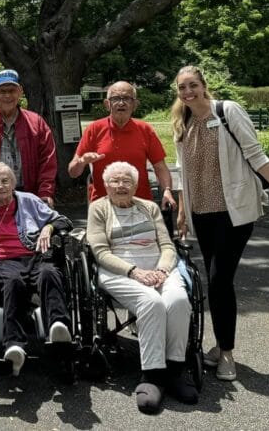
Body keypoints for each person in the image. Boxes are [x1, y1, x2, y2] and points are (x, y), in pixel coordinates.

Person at [170, 65, 269, 381]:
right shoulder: (183, 121)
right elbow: (181, 171)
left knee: (220, 280)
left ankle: (227, 355)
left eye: (193, 85)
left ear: (204, 86)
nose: (188, 92)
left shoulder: (227, 112)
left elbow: (256, 155)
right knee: (214, 279)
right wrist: (181, 210)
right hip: (202, 213)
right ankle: (221, 346)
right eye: (182, 87)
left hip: (234, 211)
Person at [87, 161, 198, 414]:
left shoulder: (148, 207)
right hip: (119, 272)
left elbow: (167, 245)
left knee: (179, 300)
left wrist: (161, 270)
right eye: (115, 181)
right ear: (106, 185)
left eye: (127, 180)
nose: (121, 185)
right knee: (151, 302)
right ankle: (152, 376)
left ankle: (175, 370)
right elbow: (100, 252)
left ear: (136, 185)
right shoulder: (99, 208)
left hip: (158, 269)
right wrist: (134, 272)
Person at [0, 162, 73, 376]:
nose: (1, 186)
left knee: (50, 273)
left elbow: (62, 221)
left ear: (13, 183)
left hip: (36, 255)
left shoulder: (29, 201)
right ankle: (14, 344)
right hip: (5, 260)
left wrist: (48, 228)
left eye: (5, 181)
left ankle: (58, 325)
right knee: (13, 282)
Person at [68, 81, 176, 209]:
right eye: (115, 98)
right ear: (107, 104)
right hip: (103, 206)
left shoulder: (145, 129)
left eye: (126, 98)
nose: (121, 103)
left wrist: (167, 191)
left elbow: (160, 167)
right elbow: (73, 172)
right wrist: (82, 161)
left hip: (140, 204)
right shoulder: (94, 129)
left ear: (135, 104)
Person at [0, 69, 56, 207]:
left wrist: (45, 193)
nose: (7, 95)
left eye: (12, 90)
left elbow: (48, 161)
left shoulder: (37, 123)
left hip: (29, 196)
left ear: (20, 92)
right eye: (2, 91)